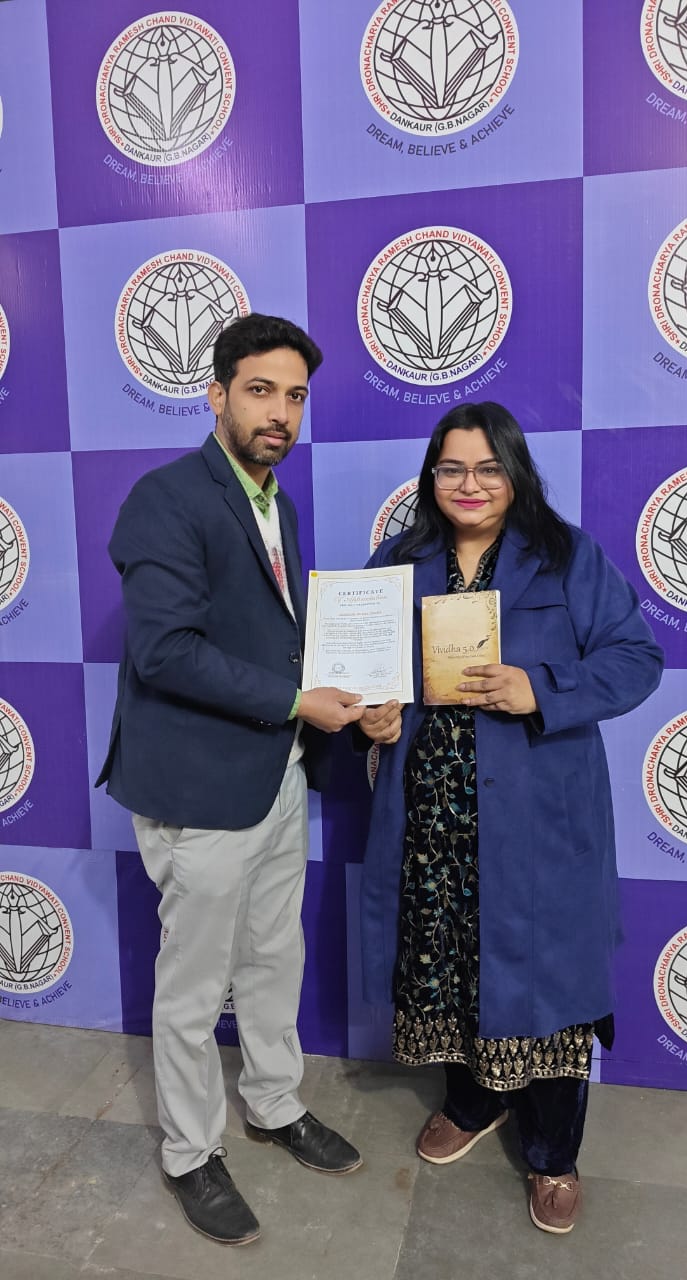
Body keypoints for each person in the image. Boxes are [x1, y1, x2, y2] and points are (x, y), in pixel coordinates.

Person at [357, 402, 663, 1235]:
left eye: (489, 468)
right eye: (452, 468)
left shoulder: (566, 557)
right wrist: (370, 717)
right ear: (431, 476)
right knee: (451, 967)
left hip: (538, 822)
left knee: (549, 981)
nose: (471, 484)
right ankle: (472, 1100)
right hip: (433, 824)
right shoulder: (398, 563)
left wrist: (543, 688)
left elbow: (637, 658)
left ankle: (553, 1151)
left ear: (516, 473)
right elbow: (363, 675)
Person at [97, 314, 366, 1246]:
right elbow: (166, 652)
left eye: (295, 396)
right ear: (216, 394)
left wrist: (342, 695)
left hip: (276, 773)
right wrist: (297, 701)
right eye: (259, 391)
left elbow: (271, 636)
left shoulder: (276, 504)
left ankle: (274, 1103)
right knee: (193, 982)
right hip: (200, 786)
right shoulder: (165, 498)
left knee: (273, 957)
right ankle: (188, 1153)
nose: (279, 412)